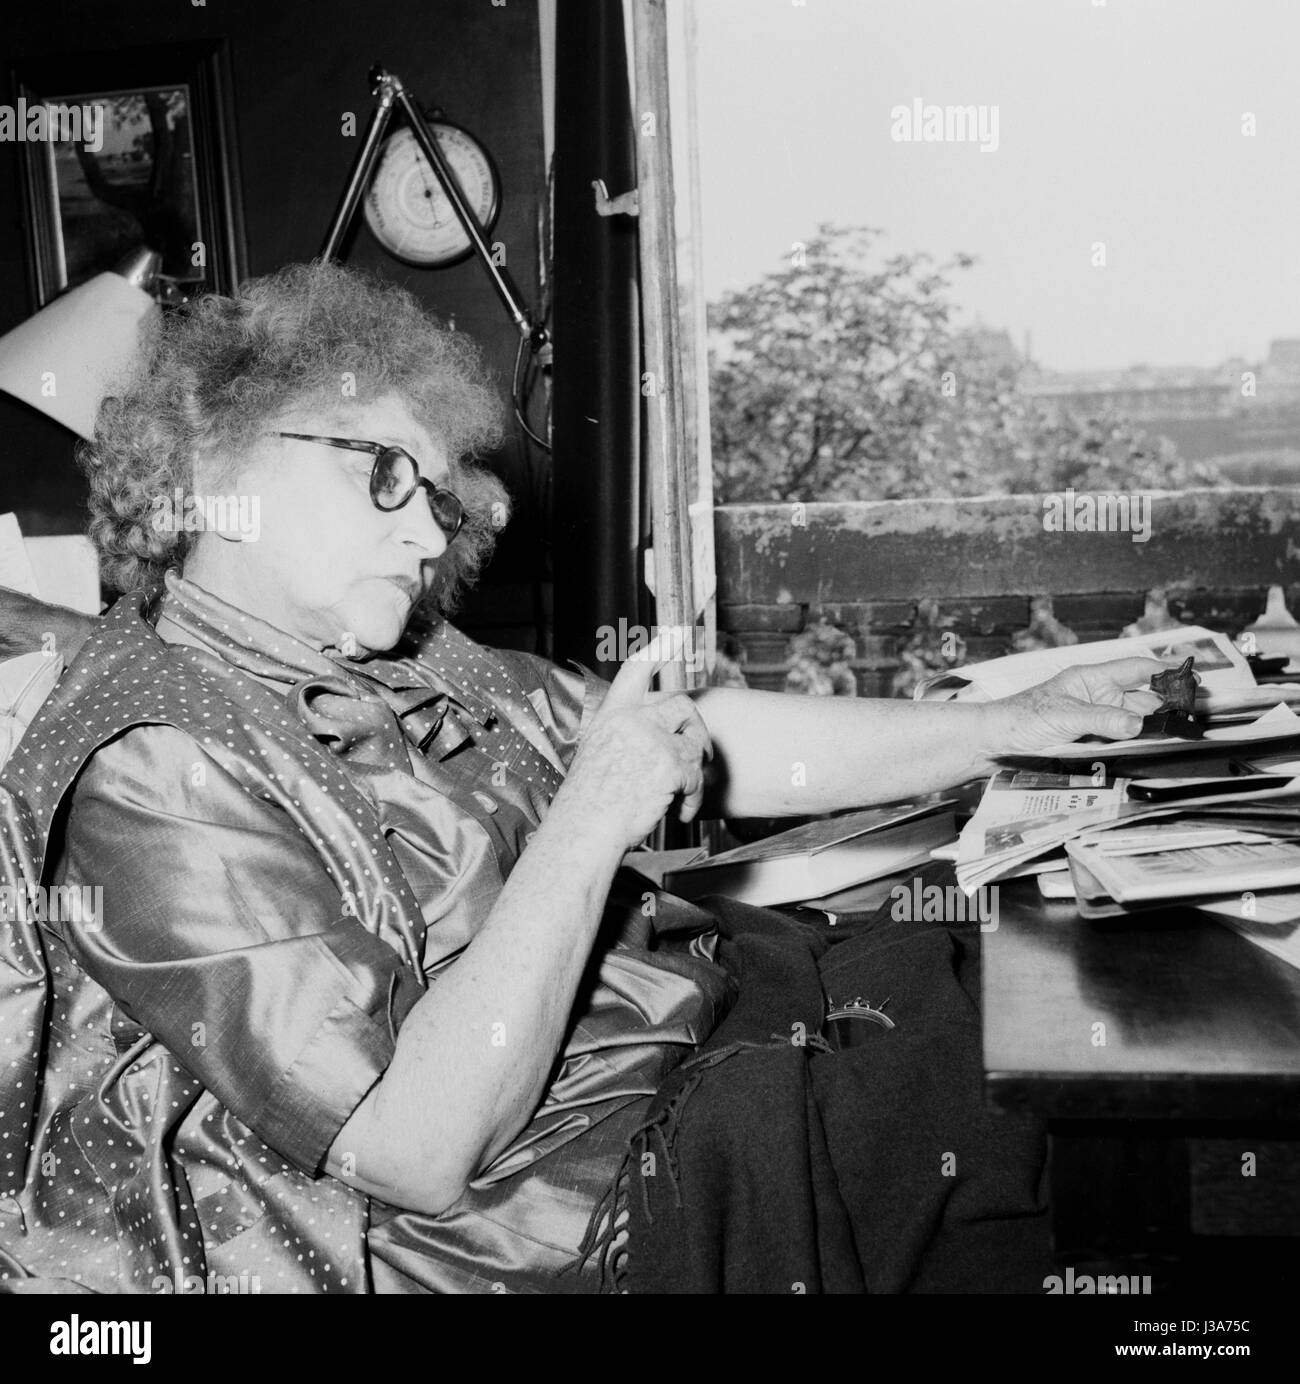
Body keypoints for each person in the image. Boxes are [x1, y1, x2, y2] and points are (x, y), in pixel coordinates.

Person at [0, 262, 1165, 1294]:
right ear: (214, 459)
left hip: (646, 1052)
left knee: (1013, 999)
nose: (426, 536)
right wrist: (595, 811)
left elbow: (693, 737)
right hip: (486, 1217)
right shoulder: (146, 765)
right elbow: (412, 1149)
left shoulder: (407, 661)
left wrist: (1011, 726)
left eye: (440, 498)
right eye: (386, 475)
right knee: (986, 1105)